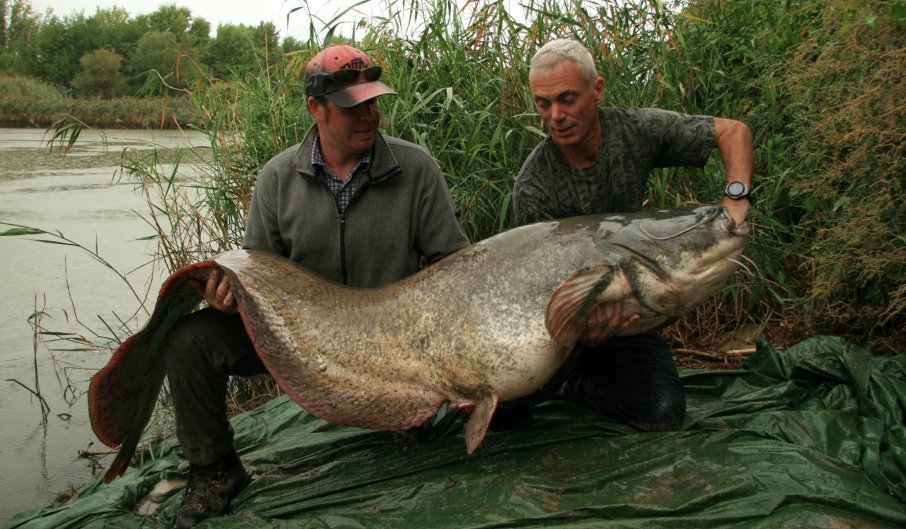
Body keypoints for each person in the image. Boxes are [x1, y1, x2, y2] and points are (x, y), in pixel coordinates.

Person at [162, 44, 469, 529]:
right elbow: (258, 276)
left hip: (392, 339)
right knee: (189, 342)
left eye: (374, 102)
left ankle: (403, 415)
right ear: (316, 109)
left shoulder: (416, 170)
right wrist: (227, 300)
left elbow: (454, 267)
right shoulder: (277, 179)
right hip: (296, 339)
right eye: (353, 107)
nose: (370, 115)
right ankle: (216, 471)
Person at [512, 38, 753, 431]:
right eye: (543, 104)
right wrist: (584, 332)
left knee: (662, 412)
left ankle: (576, 385)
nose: (556, 115)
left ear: (597, 90)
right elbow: (546, 291)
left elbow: (734, 132)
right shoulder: (534, 185)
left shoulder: (636, 129)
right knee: (507, 413)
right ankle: (563, 379)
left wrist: (736, 198)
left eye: (568, 99)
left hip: (627, 309)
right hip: (559, 324)